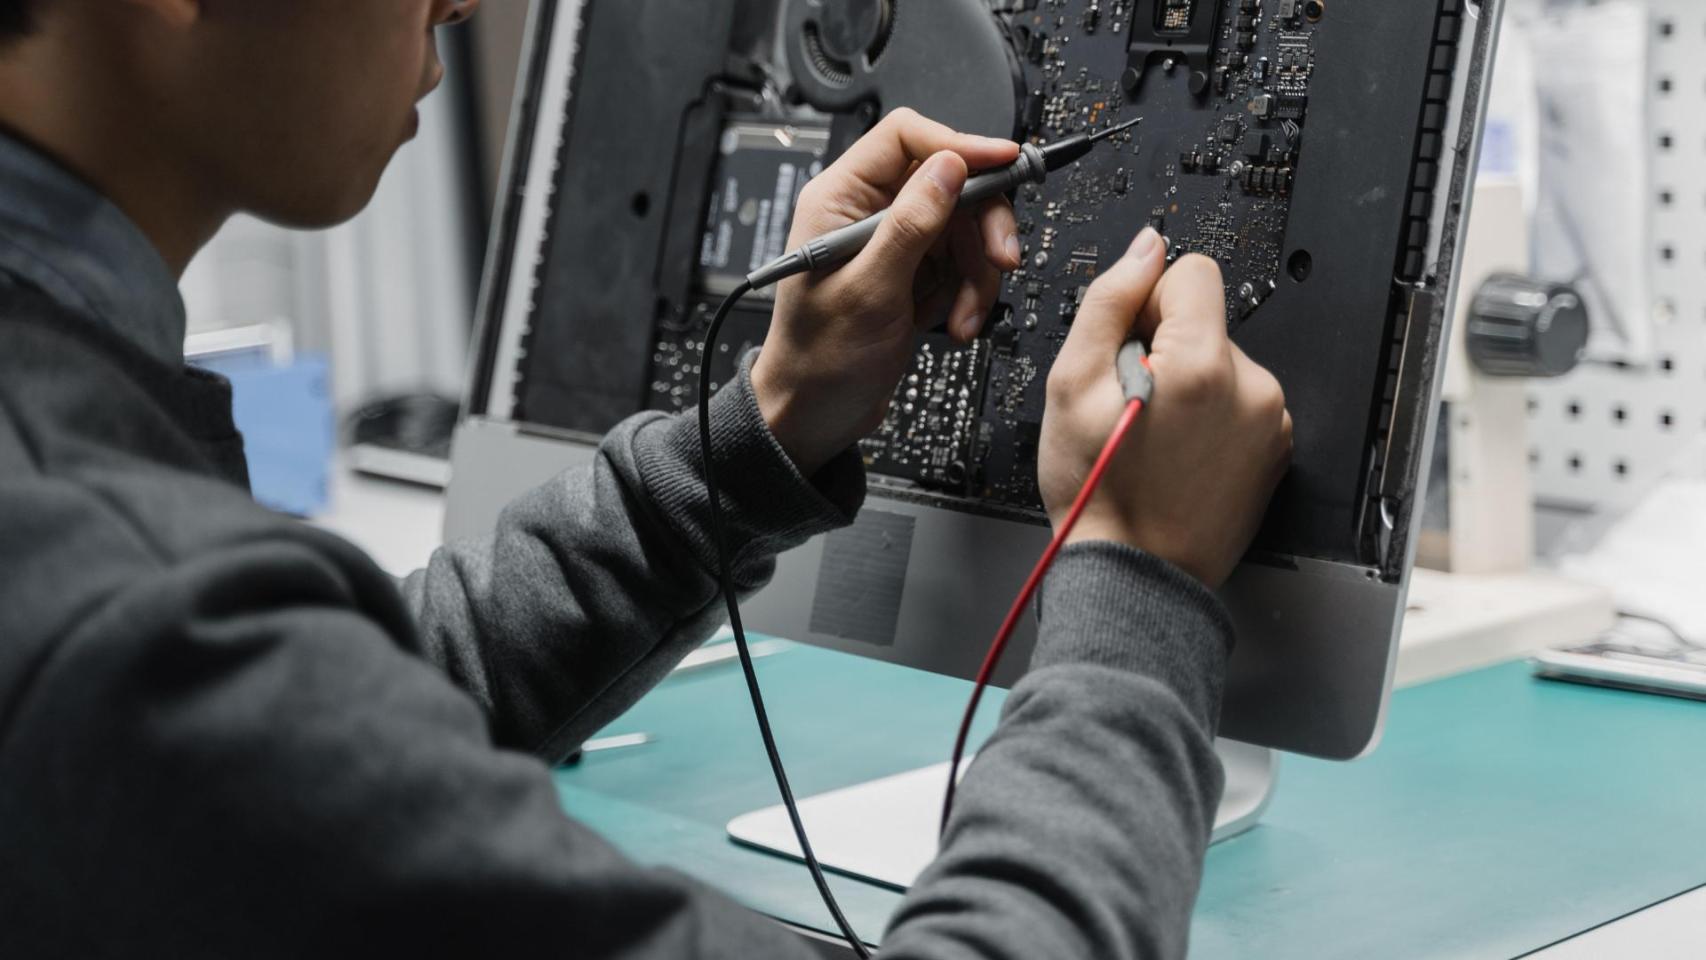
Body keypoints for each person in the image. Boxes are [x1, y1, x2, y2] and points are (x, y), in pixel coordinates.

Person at [0, 1, 1292, 957]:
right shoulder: (114, 610)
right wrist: (1136, 592)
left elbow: (331, 711)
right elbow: (214, 707)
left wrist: (756, 439)